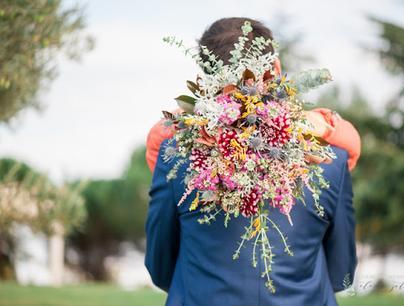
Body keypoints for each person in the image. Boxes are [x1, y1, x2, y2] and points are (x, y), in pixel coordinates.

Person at [145, 17, 359, 306]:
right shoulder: (331, 160)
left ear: (206, 82)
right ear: (276, 70)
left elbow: (160, 266)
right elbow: (341, 272)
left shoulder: (176, 157)